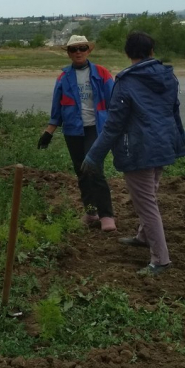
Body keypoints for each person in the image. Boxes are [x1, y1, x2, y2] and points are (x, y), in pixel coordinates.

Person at [81, 31, 185, 276]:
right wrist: (180, 136)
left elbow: (114, 125)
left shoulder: (127, 82)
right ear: (151, 52)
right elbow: (174, 111)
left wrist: (94, 155)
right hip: (163, 144)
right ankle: (143, 237)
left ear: (128, 53)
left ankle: (161, 259)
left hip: (139, 149)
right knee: (150, 194)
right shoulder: (168, 76)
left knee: (146, 204)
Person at [38, 35, 116, 231]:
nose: (78, 52)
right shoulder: (64, 77)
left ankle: (107, 216)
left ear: (89, 50)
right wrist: (49, 131)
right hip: (73, 130)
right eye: (74, 49)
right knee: (81, 172)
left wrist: (119, 127)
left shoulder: (102, 73)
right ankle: (91, 213)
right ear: (69, 53)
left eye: (82, 48)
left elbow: (115, 101)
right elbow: (57, 106)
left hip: (96, 129)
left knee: (94, 169)